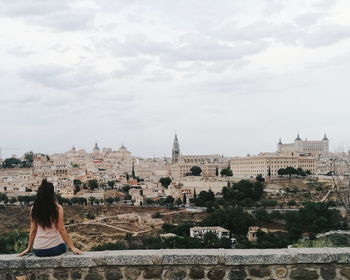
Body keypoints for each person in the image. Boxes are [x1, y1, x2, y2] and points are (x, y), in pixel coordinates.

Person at [18, 179, 83, 257]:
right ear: (52, 193)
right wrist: (72, 247)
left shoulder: (34, 208)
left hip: (38, 250)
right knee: (63, 247)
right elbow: (61, 229)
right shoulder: (58, 208)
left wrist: (28, 248)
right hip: (55, 249)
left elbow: (33, 230)